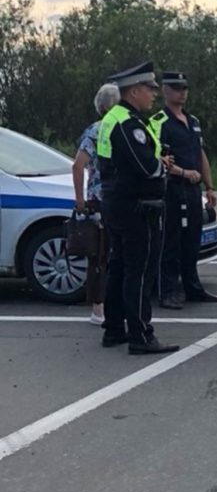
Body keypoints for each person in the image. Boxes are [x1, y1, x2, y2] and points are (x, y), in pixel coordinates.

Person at [96, 61, 180, 355]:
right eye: (150, 89)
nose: (154, 95)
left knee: (120, 268)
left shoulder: (116, 118)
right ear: (134, 91)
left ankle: (115, 329)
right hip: (137, 208)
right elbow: (146, 167)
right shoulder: (127, 123)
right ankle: (141, 335)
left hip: (120, 203)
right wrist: (163, 167)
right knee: (139, 272)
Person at [149, 70, 217, 308]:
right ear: (165, 91)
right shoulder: (158, 122)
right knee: (171, 241)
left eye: (185, 88)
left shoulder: (193, 122)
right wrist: (181, 172)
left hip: (193, 190)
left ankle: (192, 286)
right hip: (172, 189)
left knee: (192, 239)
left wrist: (210, 187)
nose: (182, 93)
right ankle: (167, 290)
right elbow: (154, 158)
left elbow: (200, 154)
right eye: (177, 88)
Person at [71, 82, 121, 325]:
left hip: (101, 200)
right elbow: (78, 165)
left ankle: (100, 308)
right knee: (106, 254)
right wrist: (80, 200)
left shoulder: (95, 129)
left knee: (101, 255)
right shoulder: (111, 129)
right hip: (109, 201)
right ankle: (102, 308)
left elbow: (79, 165)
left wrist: (81, 200)